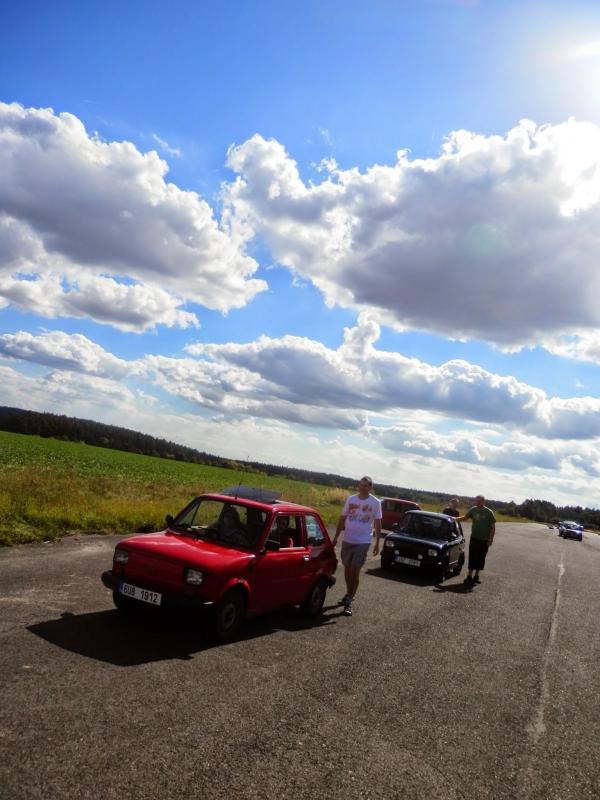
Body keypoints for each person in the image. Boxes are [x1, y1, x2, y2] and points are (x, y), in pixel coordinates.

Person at [332, 476, 382, 617]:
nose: (363, 488)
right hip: (348, 539)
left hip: (363, 541)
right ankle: (349, 593)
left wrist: (377, 543)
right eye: (361, 485)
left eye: (366, 486)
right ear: (358, 486)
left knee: (355, 570)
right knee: (347, 569)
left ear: (371, 488)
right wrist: (335, 537)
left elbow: (378, 523)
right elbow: (342, 518)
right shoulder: (351, 499)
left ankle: (349, 601)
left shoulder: (375, 503)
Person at [458, 495, 496, 585]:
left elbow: (493, 528)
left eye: (479, 501)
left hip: (484, 540)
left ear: (483, 501)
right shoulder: (473, 510)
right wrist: (454, 519)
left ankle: (476, 576)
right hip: (474, 538)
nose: (477, 503)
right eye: (476, 501)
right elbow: (465, 517)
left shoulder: (489, 512)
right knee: (472, 556)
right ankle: (469, 576)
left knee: (481, 557)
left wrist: (490, 539)